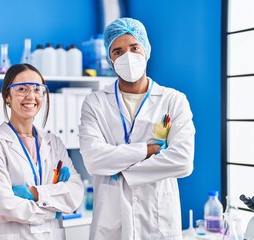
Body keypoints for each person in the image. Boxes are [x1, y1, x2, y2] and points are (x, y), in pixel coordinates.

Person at [78, 18, 195, 239]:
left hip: (158, 220)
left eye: (134, 48)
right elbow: (93, 160)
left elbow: (183, 161)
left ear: (146, 50)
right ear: (109, 59)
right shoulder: (95, 103)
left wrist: (119, 167)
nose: (127, 57)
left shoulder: (174, 100)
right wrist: (148, 150)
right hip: (111, 221)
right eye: (118, 52)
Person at [0, 63, 84, 240]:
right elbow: (2, 206)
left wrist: (33, 193)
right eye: (21, 89)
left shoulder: (54, 143)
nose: (31, 96)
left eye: (37, 89)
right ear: (7, 97)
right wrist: (54, 207)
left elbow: (76, 193)